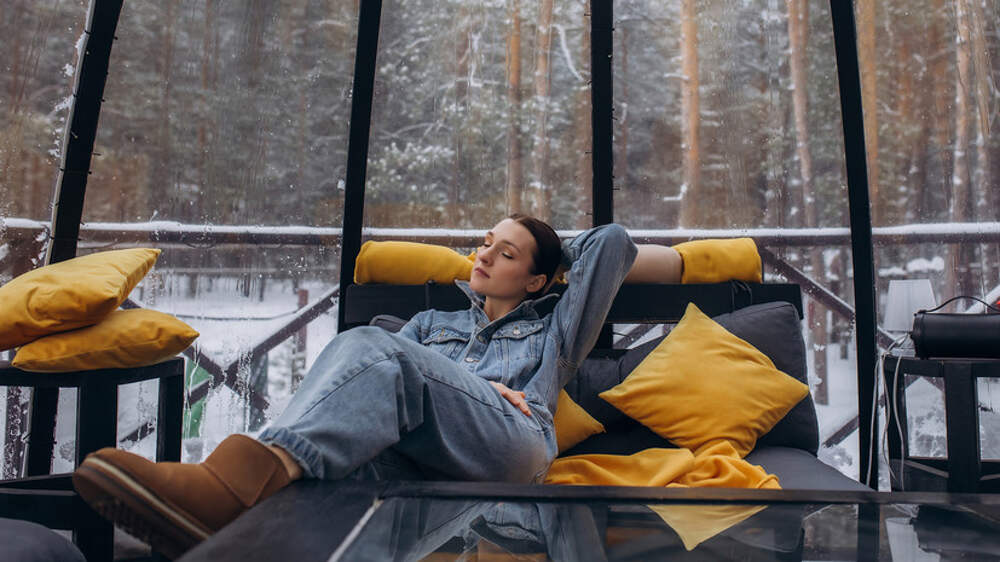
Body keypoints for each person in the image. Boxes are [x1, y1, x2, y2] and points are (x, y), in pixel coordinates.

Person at [72, 214, 682, 558]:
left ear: (537, 281)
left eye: (507, 253)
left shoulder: (556, 330)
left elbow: (612, 244)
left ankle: (231, 480)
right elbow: (380, 398)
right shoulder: (430, 324)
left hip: (512, 445)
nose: (484, 255)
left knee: (371, 344)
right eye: (485, 244)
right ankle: (231, 527)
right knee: (328, 479)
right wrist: (462, 384)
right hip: (420, 456)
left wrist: (552, 253)